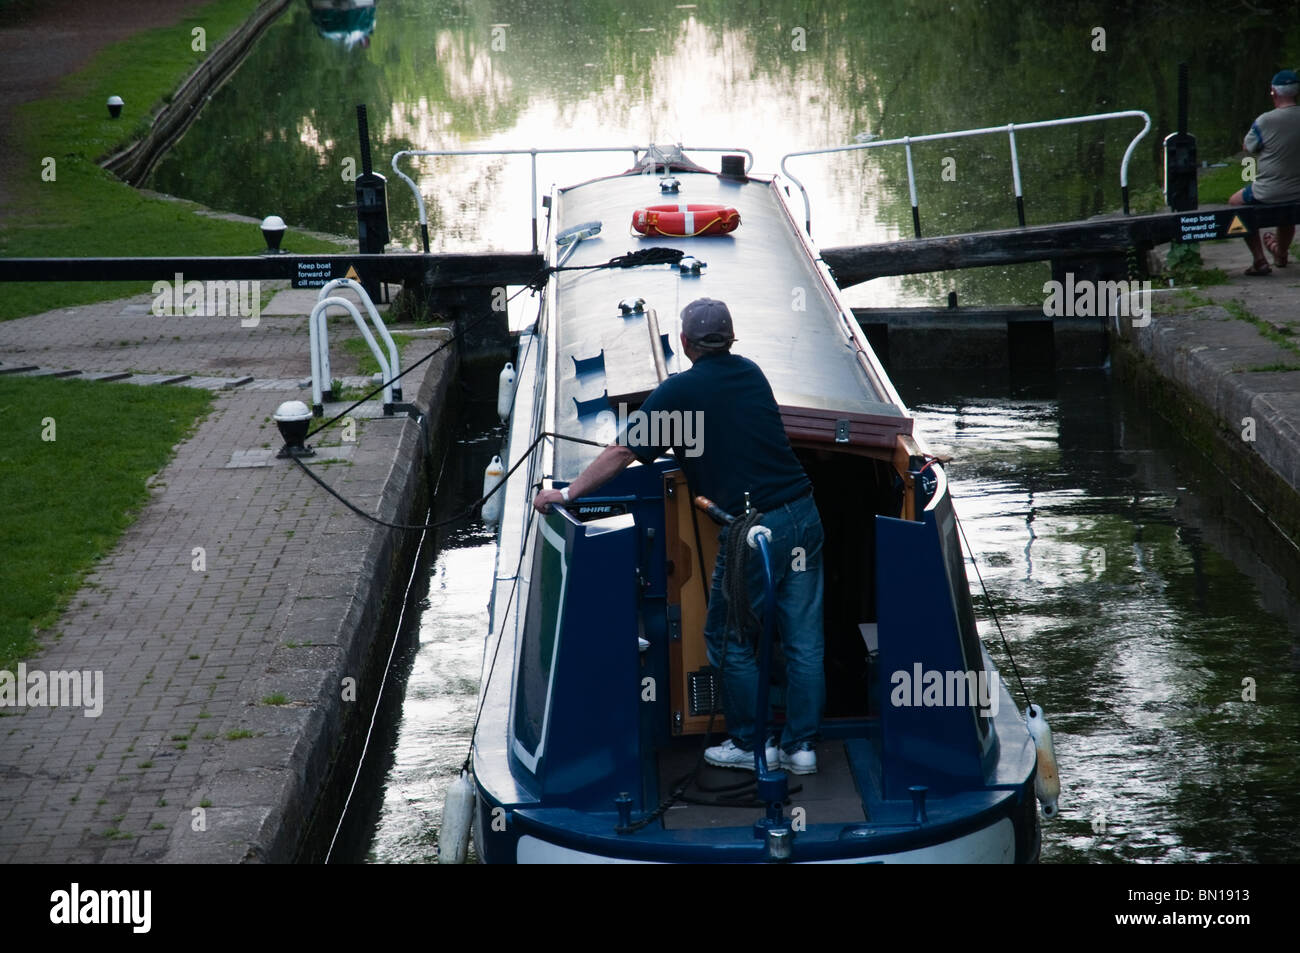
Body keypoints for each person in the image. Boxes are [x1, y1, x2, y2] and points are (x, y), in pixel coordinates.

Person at [532, 298, 826, 774]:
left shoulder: (679, 392)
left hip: (751, 530)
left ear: (685, 343)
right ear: (732, 339)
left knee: (727, 637)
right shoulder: (751, 373)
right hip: (802, 515)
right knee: (803, 638)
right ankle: (802, 748)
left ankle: (755, 745)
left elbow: (622, 453)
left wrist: (567, 494)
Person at [1229, 69, 1300, 275]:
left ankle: (1259, 260)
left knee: (1236, 202)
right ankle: (1280, 253)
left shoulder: (1265, 121)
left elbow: (1247, 147)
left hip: (1270, 192)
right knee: (1287, 211)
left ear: (1273, 93)